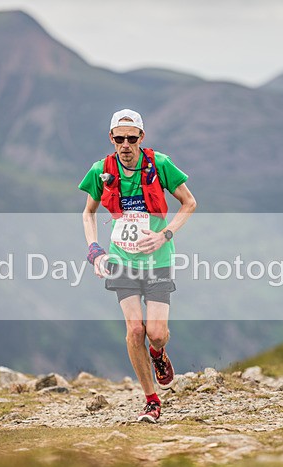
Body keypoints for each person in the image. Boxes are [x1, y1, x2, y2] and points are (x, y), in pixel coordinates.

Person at [79, 109, 197, 423]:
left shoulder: (160, 164)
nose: (126, 144)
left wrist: (165, 234)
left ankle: (158, 354)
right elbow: (88, 213)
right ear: (112, 139)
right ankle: (151, 401)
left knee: (156, 333)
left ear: (141, 138)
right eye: (120, 139)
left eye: (132, 138)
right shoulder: (100, 170)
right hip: (121, 260)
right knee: (135, 330)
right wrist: (94, 250)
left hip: (158, 260)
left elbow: (190, 202)